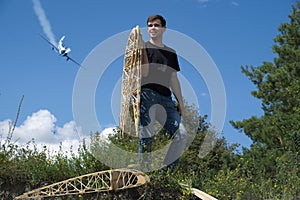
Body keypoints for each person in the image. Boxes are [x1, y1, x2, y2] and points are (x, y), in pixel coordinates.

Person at [138, 14, 187, 172]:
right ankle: (144, 173)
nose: (153, 28)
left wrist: (180, 102)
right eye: (150, 25)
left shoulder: (171, 53)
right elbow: (143, 73)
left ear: (163, 29)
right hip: (147, 95)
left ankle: (165, 175)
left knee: (182, 135)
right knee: (147, 135)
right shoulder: (142, 48)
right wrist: (141, 50)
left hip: (166, 98)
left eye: (156, 25)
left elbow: (173, 78)